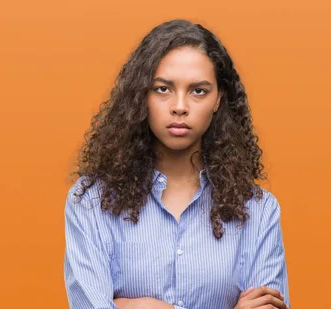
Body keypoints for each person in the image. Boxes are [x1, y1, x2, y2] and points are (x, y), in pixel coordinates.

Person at [63, 19, 290, 309]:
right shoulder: (92, 202)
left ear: (218, 99)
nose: (179, 106)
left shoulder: (259, 211)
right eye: (162, 89)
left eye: (198, 91)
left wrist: (137, 307)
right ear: (141, 95)